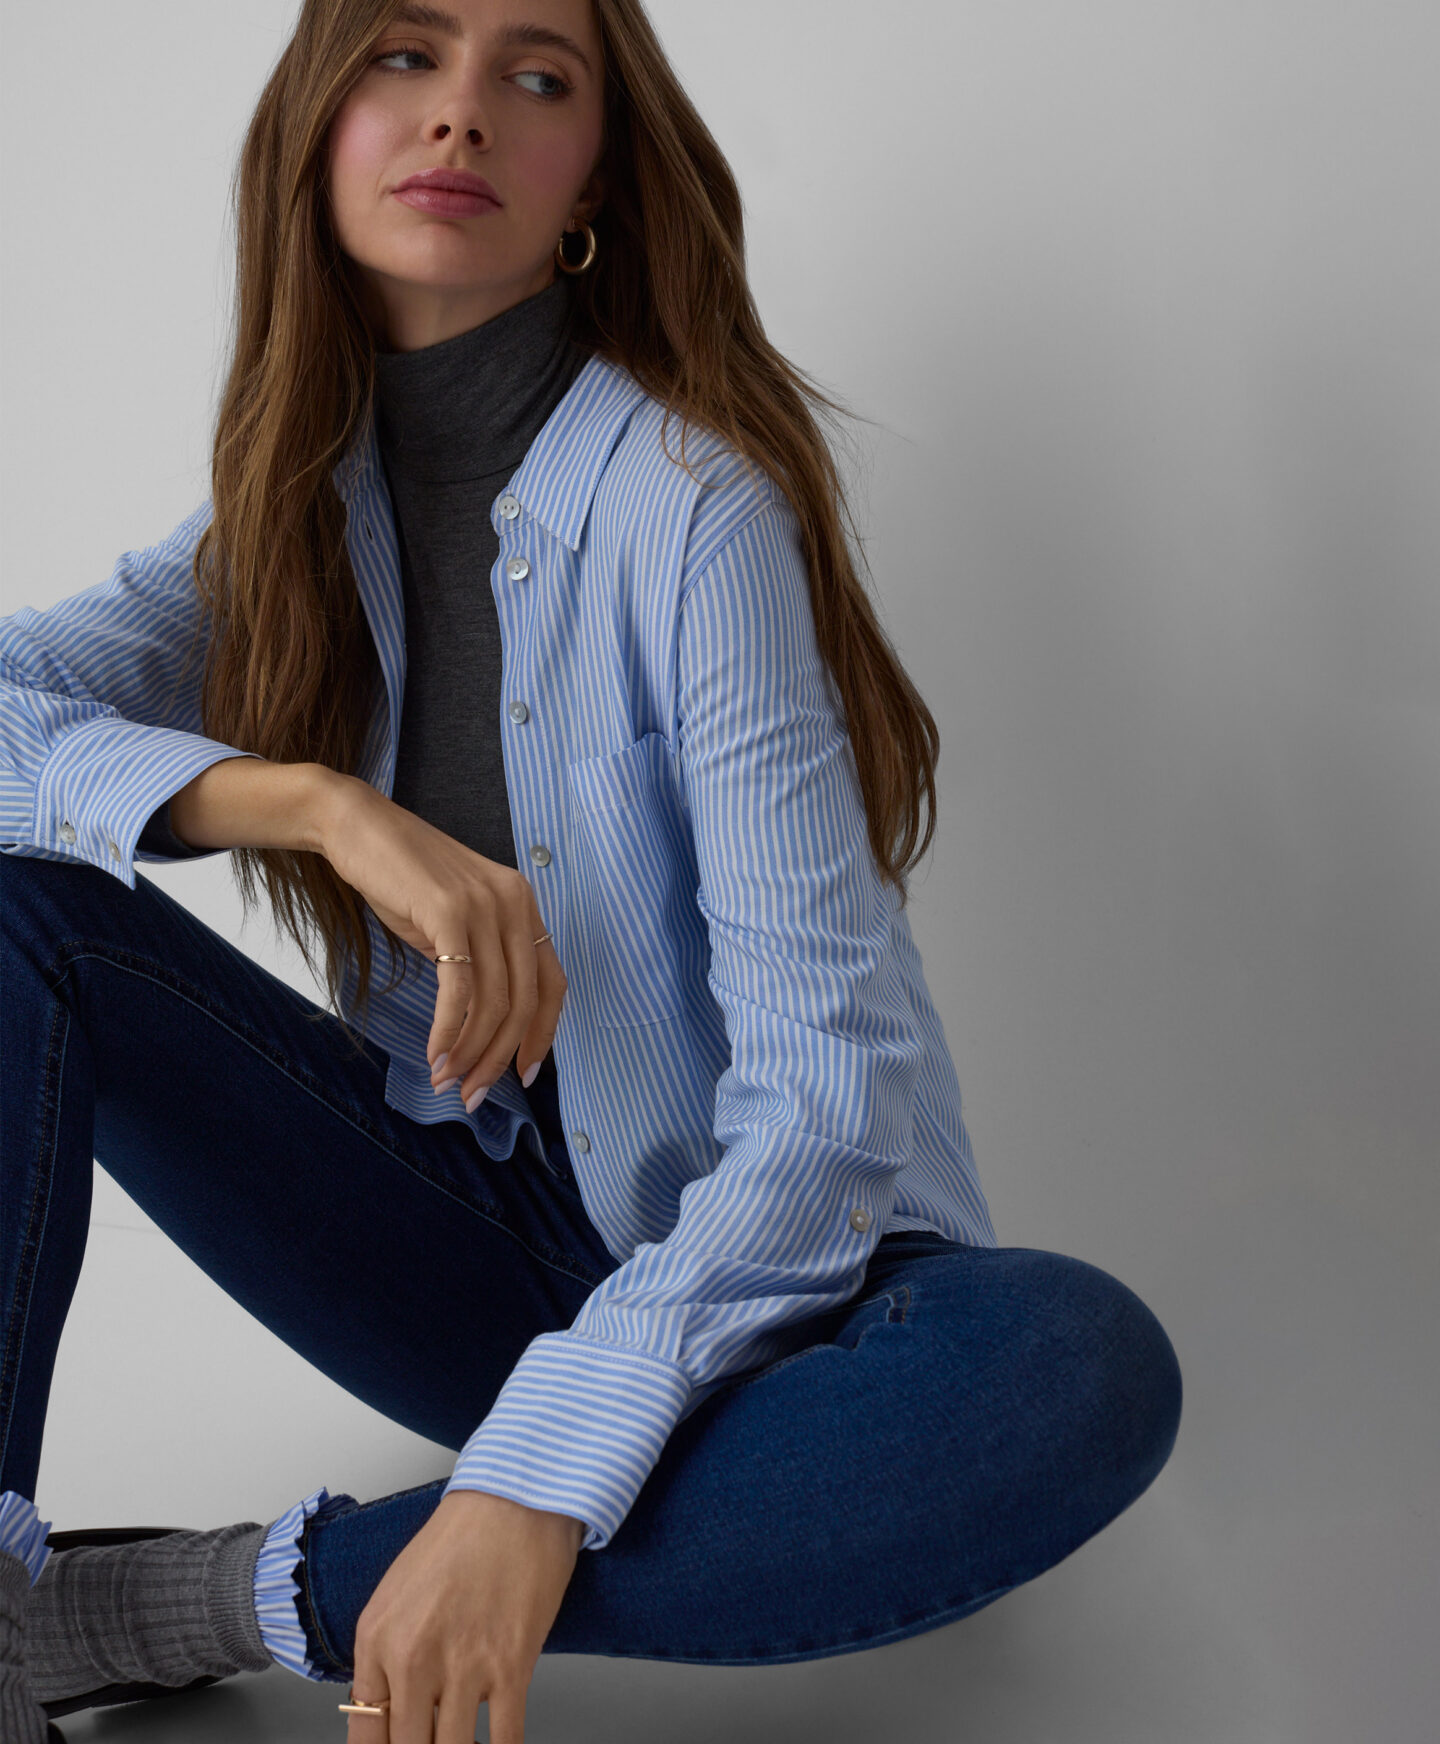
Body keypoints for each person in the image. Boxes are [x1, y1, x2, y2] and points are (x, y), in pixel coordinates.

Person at [0, 2, 1184, 1741]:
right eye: (405, 55)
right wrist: (316, 806)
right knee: (15, 907)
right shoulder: (292, 509)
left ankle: (163, 1604)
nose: (461, 113)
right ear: (316, 124)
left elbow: (830, 1104)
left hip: (791, 1292)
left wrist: (529, 1483)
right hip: (480, 1252)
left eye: (537, 77)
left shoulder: (698, 509)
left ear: (596, 189)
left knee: (1071, 1371)